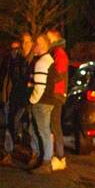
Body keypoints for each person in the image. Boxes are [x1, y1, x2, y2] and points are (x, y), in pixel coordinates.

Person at [28, 34, 59, 173]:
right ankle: (43, 159)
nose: (34, 46)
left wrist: (32, 100)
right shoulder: (49, 60)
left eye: (36, 44)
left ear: (41, 46)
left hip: (41, 102)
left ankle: (46, 162)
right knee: (41, 131)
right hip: (47, 101)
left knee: (43, 132)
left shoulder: (41, 62)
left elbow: (40, 86)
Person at [0, 34, 32, 166]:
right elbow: (6, 76)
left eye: (27, 42)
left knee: (28, 127)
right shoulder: (14, 58)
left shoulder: (33, 59)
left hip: (28, 98)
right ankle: (8, 152)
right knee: (11, 124)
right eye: (23, 42)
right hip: (14, 96)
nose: (25, 45)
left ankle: (31, 153)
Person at [46, 29, 69, 171]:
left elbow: (58, 74)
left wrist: (47, 82)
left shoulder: (58, 53)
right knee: (53, 125)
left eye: (49, 38)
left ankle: (60, 156)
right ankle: (55, 155)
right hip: (55, 93)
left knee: (55, 126)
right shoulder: (56, 52)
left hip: (56, 94)